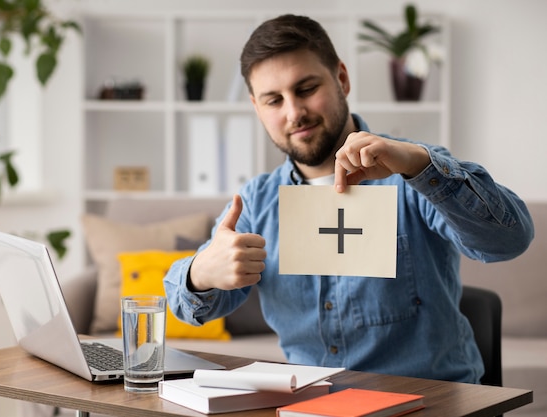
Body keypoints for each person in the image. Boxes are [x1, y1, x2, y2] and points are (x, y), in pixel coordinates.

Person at [164, 14, 534, 383]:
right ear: (257, 107)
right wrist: (200, 273)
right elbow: (182, 303)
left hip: (428, 402)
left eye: (306, 88)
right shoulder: (256, 203)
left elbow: (509, 241)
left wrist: (418, 164)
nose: (294, 113)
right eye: (274, 100)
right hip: (313, 403)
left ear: (341, 77)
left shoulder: (415, 171)